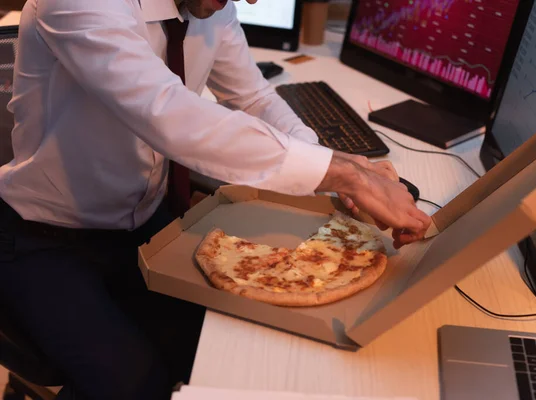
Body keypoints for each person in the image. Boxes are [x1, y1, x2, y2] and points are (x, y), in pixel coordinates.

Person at [0, 0, 431, 399]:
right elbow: (170, 116)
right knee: (133, 382)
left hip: (143, 225)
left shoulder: (208, 6)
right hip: (43, 239)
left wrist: (333, 164)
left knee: (233, 345)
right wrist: (345, 174)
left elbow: (253, 98)